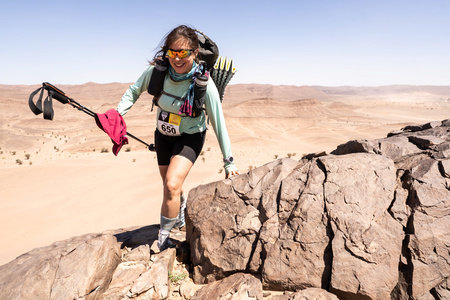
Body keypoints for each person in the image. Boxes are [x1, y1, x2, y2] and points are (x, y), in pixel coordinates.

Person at [116, 25, 239, 251]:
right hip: (163, 136)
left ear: (194, 53)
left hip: (190, 137)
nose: (177, 58)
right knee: (171, 185)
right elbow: (134, 91)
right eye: (173, 52)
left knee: (171, 184)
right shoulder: (157, 73)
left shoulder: (205, 84)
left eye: (184, 53)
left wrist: (229, 162)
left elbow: (219, 122)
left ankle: (163, 241)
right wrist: (117, 114)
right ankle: (180, 215)